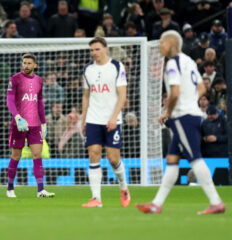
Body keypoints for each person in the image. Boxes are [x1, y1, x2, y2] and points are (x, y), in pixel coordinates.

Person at [135, 30, 225, 214]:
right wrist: (190, 101)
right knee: (172, 159)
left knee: (195, 157)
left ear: (171, 44)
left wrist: (168, 112)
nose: (159, 46)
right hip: (190, 114)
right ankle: (156, 204)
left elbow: (174, 93)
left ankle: (216, 202)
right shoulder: (189, 61)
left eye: (161, 42)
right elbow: (201, 87)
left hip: (183, 117)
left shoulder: (172, 64)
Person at [81, 37, 130, 208]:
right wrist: (83, 119)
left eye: (97, 49)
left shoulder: (116, 66)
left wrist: (114, 117)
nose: (94, 53)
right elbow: (86, 96)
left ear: (106, 49)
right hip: (93, 118)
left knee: (113, 159)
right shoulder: (88, 69)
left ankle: (123, 187)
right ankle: (96, 198)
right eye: (92, 50)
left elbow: (122, 95)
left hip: (112, 118)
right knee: (93, 154)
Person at [6, 53, 55, 198]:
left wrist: (44, 123)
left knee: (37, 155)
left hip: (35, 125)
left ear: (35, 65)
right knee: (16, 155)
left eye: (29, 63)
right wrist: (18, 117)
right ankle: (10, 189)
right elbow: (9, 101)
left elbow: (39, 102)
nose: (26, 66)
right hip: (19, 124)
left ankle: (41, 190)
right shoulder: (15, 79)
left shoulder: (39, 81)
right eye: (24, 63)